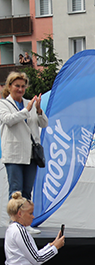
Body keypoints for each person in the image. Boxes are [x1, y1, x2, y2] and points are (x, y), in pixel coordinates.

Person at [0, 72, 47, 200]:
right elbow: (9, 120)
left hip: (31, 155)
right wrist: (26, 110)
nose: (20, 89)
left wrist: (38, 110)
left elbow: (44, 124)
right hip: (14, 155)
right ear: (9, 86)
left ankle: (25, 220)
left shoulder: (29, 103)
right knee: (16, 193)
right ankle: (15, 220)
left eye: (23, 86)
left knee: (27, 193)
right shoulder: (3, 104)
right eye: (17, 86)